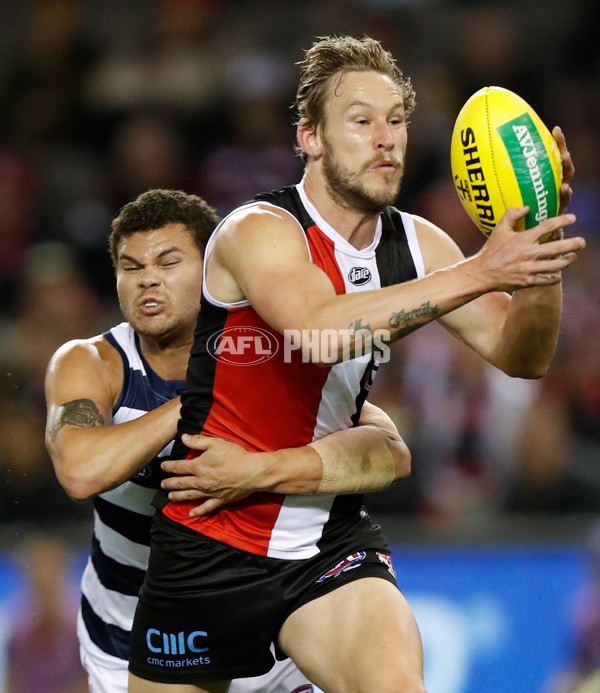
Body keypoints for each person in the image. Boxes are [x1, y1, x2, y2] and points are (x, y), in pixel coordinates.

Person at [127, 34, 586, 693]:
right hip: (209, 539)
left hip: (325, 540)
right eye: (362, 120)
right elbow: (319, 330)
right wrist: (482, 269)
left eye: (397, 120)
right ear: (310, 137)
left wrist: (538, 253)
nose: (386, 138)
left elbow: (523, 354)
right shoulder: (257, 229)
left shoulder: (417, 244)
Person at [44, 188, 411, 693]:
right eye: (131, 268)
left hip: (266, 617)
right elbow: (79, 470)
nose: (148, 278)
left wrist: (268, 468)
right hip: (132, 636)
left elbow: (391, 451)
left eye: (169, 262)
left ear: (213, 265)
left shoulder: (269, 346)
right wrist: (200, 399)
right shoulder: (92, 363)